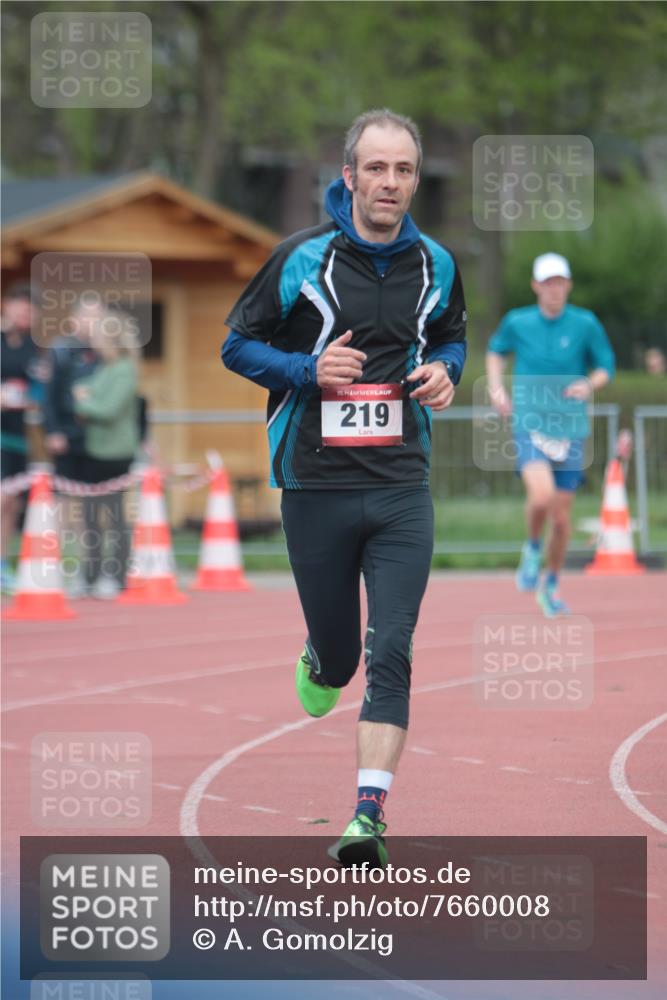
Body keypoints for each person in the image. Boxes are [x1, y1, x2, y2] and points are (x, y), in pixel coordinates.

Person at [223, 109, 467, 866]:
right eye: (376, 168)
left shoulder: (438, 264)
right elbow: (236, 344)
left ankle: (368, 815)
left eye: (402, 170)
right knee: (341, 659)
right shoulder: (300, 259)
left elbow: (452, 334)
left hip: (400, 485)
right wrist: (307, 370)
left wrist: (446, 372)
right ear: (349, 176)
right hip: (315, 486)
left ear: (412, 180)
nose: (389, 182)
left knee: (391, 645)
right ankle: (321, 659)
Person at [486, 252, 615, 617]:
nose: (553, 289)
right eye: (547, 282)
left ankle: (552, 583)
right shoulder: (518, 321)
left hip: (570, 428)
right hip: (529, 421)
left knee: (560, 520)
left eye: (559, 281)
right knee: (540, 498)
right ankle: (530, 547)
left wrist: (589, 384)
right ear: (535, 286)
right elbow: (496, 351)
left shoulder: (585, 324)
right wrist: (496, 388)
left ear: (568, 285)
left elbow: (606, 366)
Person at [72, 309, 140, 598]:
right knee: (89, 517)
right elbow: (83, 389)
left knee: (114, 517)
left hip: (115, 453)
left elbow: (107, 409)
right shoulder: (104, 368)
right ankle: (90, 573)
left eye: (98, 336)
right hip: (94, 450)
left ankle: (117, 575)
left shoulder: (125, 369)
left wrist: (81, 405)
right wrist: (83, 397)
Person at [42, 298, 101, 596]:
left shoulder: (106, 351)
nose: (93, 323)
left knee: (94, 506)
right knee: (64, 506)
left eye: (98, 317)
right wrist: (53, 431)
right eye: (88, 316)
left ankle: (89, 571)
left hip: (96, 441)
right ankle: (58, 565)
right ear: (76, 319)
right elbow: (48, 396)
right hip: (66, 438)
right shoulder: (61, 349)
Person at [0, 283, 47, 593]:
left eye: (31, 311)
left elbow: (39, 390)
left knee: (12, 502)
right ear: (7, 306)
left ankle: (2, 563)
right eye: (20, 307)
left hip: (18, 434)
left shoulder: (34, 349)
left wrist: (32, 397)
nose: (24, 314)